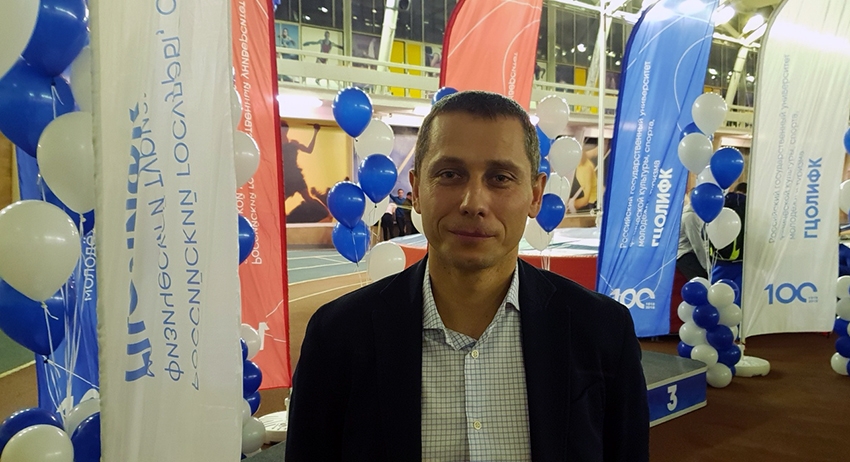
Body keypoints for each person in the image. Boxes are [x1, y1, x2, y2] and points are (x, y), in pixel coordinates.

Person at [285, 90, 649, 461]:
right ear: (417, 190)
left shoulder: (602, 331)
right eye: (449, 174)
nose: (473, 203)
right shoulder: (338, 337)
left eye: (500, 178)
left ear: (536, 195)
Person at [281, 121, 327, 223]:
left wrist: (315, 133)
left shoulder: (293, 143)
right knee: (280, 201)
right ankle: (282, 222)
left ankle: (327, 212)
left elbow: (309, 150)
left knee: (308, 198)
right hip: (286, 177)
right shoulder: (277, 145)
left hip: (295, 176)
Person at [677, 197, 709, 280]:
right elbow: (697, 244)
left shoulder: (687, 213)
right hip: (685, 255)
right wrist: (707, 266)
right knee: (703, 281)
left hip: (683, 254)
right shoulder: (690, 216)